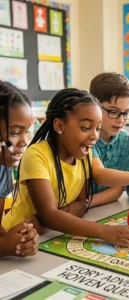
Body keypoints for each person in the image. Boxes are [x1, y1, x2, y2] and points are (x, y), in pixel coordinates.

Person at [2, 88, 129, 248]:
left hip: (48, 235)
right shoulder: (36, 155)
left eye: (97, 128)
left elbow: (81, 204)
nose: (94, 136)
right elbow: (50, 215)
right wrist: (103, 231)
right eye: (85, 128)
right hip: (14, 235)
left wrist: (48, 219)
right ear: (59, 126)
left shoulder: (84, 155)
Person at [0, 80, 39, 257]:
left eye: (26, 131)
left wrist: (19, 238)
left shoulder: (3, 166)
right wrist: (3, 246)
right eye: (15, 132)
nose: (24, 142)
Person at [89, 72, 129, 207]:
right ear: (94, 107)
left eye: (126, 113)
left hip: (99, 207)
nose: (121, 120)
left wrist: (86, 204)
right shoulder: (87, 137)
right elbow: (99, 175)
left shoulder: (124, 139)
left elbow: (119, 188)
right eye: (113, 111)